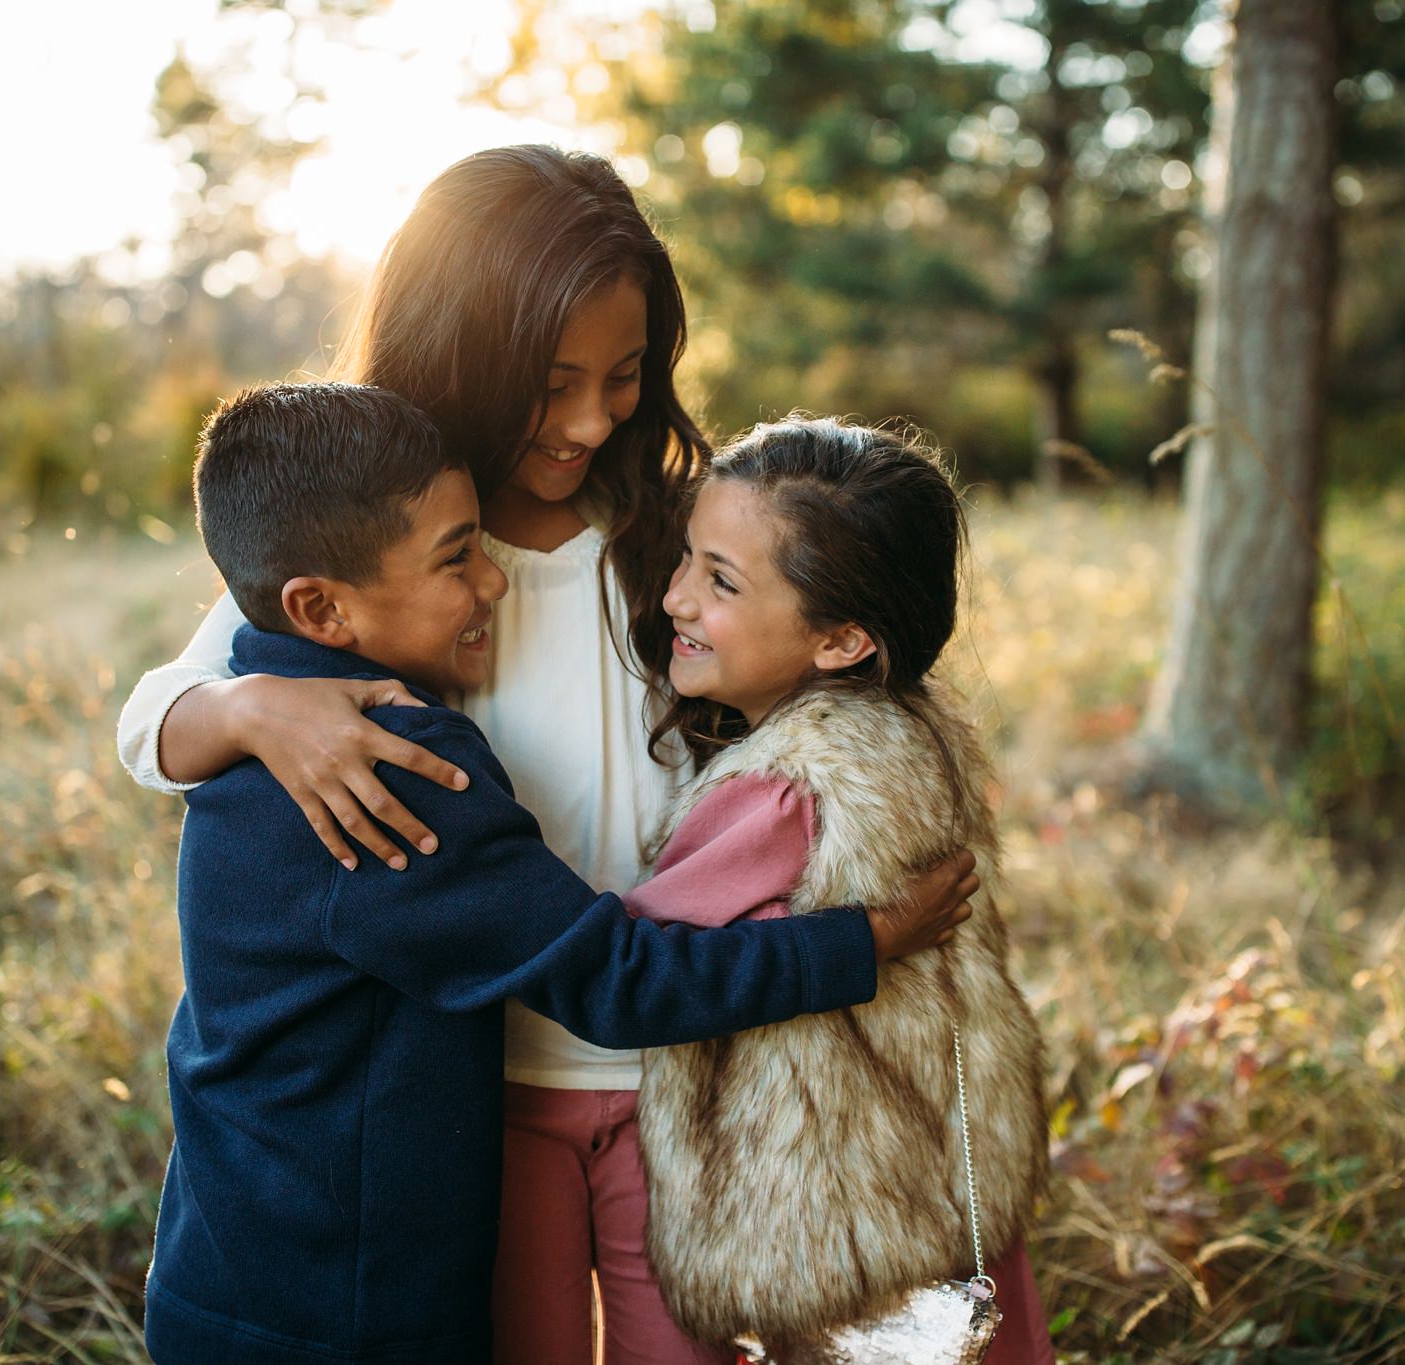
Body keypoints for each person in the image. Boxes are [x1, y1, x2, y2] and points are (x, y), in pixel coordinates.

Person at [115, 146, 976, 1361]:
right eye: (549, 382)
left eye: (622, 377)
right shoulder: (384, 547)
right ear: (460, 356)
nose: (586, 419)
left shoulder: (669, 534)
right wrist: (252, 712)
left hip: (680, 1061)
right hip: (486, 1084)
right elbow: (149, 722)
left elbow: (814, 673)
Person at [626, 416, 1056, 1360]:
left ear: (844, 638)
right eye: (688, 560)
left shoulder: (778, 788)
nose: (674, 598)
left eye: (721, 581)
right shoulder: (921, 736)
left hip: (834, 1222)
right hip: (939, 1185)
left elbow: (639, 965)